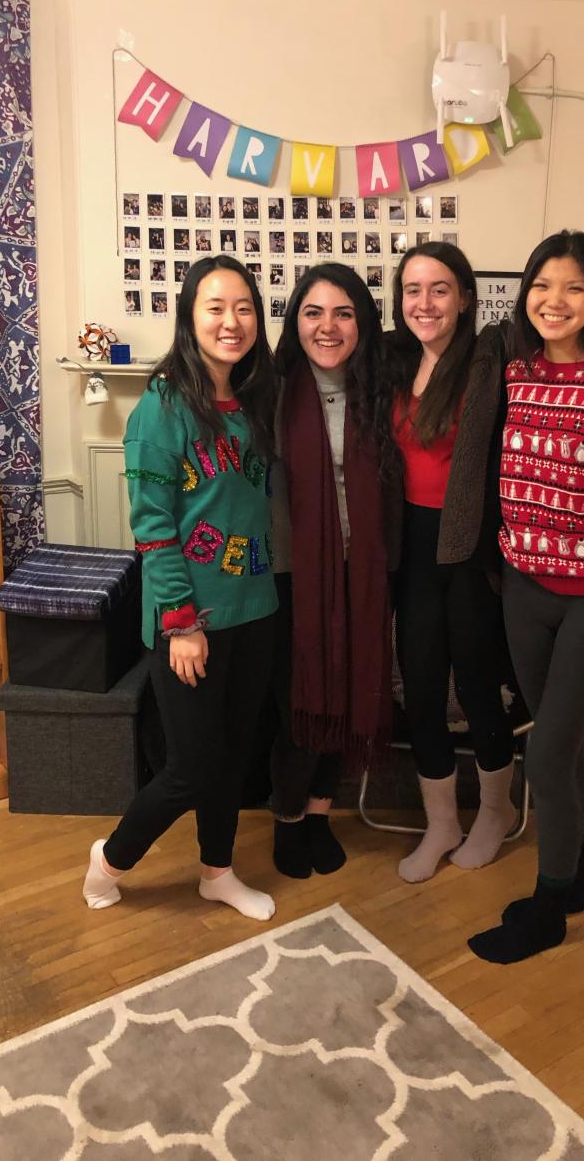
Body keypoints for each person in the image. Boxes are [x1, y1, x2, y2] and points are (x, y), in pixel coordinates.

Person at [387, 241, 584, 885]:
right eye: (413, 291)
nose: (426, 304)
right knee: (422, 689)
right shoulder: (390, 359)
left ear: (467, 297)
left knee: (483, 689)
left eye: (441, 289)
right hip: (413, 549)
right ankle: (443, 823)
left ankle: (496, 817)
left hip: (477, 551)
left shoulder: (498, 354)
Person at [467, 231, 584, 965]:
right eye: (542, 284)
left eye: (574, 287)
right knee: (558, 743)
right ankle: (572, 877)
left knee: (546, 755)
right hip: (523, 590)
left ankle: (548, 907)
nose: (555, 300)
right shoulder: (515, 374)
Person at [82, 255, 280, 921]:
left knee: (230, 758)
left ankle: (216, 872)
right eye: (216, 307)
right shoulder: (162, 408)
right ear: (189, 318)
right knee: (190, 769)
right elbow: (153, 528)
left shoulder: (254, 400)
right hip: (189, 624)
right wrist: (180, 623)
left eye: (244, 307)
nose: (232, 321)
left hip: (255, 609)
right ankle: (108, 860)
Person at [268, 263, 399, 878]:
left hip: (362, 572)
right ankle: (289, 820)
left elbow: (476, 348)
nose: (327, 326)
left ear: (363, 324)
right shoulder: (267, 389)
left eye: (343, 313)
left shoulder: (383, 385)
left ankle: (321, 814)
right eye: (313, 312)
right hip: (292, 577)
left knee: (346, 696)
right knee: (304, 702)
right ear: (295, 322)